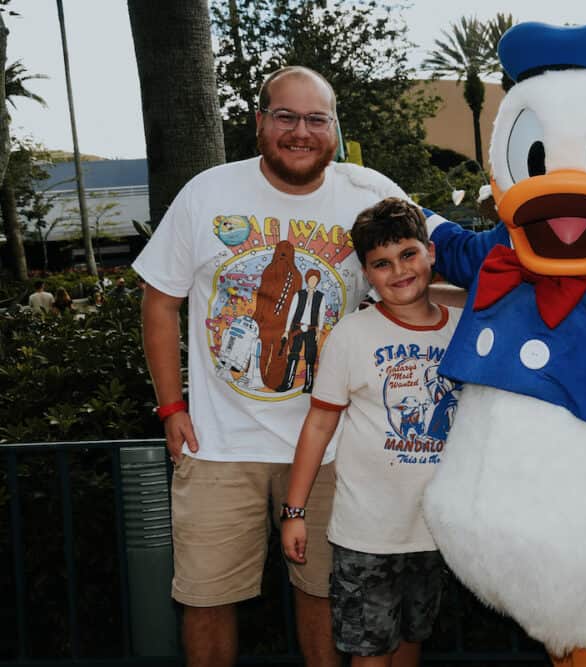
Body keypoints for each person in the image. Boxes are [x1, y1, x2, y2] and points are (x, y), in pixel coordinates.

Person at [134, 65, 408, 667]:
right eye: (285, 116)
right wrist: (171, 406)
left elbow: (423, 280)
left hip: (337, 443)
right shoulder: (208, 193)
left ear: (334, 128)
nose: (300, 131)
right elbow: (160, 301)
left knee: (326, 595)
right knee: (206, 599)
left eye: (316, 118)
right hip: (219, 445)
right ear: (259, 122)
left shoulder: (370, 195)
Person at [281, 197, 460, 667]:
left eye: (408, 254)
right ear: (366, 272)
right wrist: (294, 510)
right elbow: (319, 423)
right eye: (381, 264)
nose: (398, 271)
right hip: (366, 534)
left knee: (410, 646)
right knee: (368, 654)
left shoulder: (461, 329)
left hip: (435, 530)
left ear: (430, 253)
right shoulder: (352, 334)